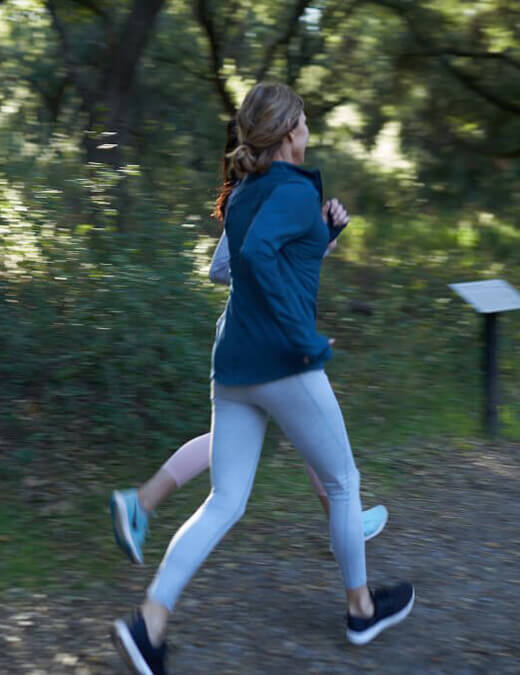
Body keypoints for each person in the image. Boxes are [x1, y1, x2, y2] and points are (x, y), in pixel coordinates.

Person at [112, 83, 414, 675]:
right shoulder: (293, 190)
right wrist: (302, 339)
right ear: (286, 134)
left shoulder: (247, 193)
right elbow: (253, 260)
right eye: (303, 119)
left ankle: (149, 624)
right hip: (283, 363)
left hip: (235, 365)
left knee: (223, 501)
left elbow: (270, 258)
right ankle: (360, 609)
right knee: (346, 482)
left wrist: (323, 235)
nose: (308, 126)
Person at [108, 120, 388, 567]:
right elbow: (224, 267)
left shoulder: (268, 194)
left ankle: (141, 502)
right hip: (264, 334)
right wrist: (266, 276)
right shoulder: (252, 198)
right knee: (305, 428)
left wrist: (322, 237)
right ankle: (345, 523)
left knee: (278, 433)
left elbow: (280, 257)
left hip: (269, 330)